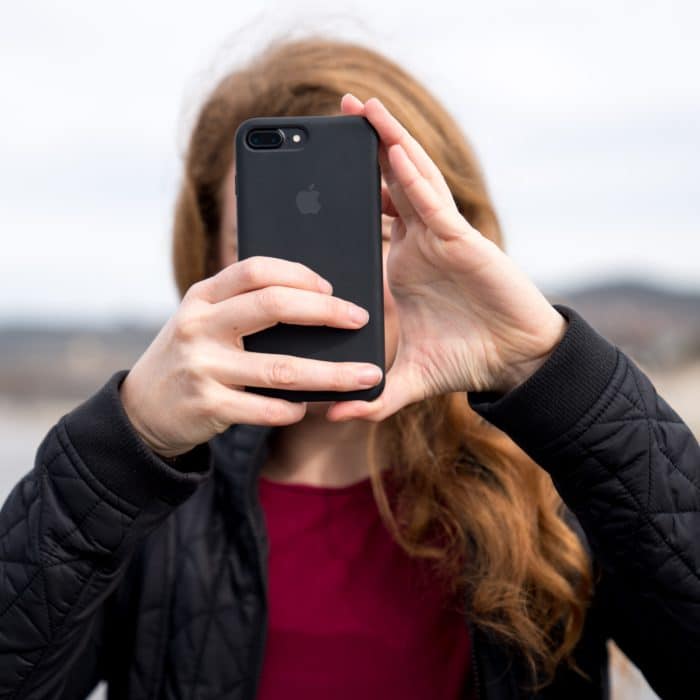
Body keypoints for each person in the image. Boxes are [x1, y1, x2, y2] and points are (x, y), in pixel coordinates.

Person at [1, 36, 698, 700]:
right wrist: (125, 448)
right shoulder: (148, 503)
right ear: (209, 263)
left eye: (370, 236)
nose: (318, 290)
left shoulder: (558, 479)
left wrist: (550, 374)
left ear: (458, 242)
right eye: (269, 254)